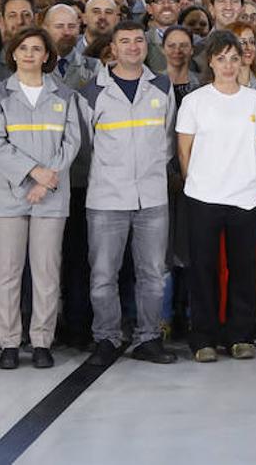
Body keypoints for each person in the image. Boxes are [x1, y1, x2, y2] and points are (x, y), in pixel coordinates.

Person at [0, 26, 86, 370]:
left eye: (36, 49)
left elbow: (71, 143)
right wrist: (33, 173)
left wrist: (47, 179)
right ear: (13, 54)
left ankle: (42, 341)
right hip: (9, 195)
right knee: (8, 273)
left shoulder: (65, 95)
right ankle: (9, 343)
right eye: (23, 48)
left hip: (50, 196)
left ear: (47, 56)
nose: (29, 54)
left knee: (46, 272)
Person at [78, 22, 179, 367]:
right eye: (125, 41)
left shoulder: (162, 87)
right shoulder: (92, 92)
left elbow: (168, 141)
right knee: (104, 274)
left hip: (151, 196)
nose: (134, 46)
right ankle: (106, 338)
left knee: (152, 272)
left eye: (139, 40)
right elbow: (86, 145)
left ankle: (149, 339)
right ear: (113, 49)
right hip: (106, 197)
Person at [178, 30, 256, 363]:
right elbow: (184, 150)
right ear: (210, 61)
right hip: (204, 195)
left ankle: (241, 335)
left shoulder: (254, 100)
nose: (228, 65)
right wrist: (202, 181)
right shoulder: (195, 100)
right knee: (203, 268)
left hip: (245, 196)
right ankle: (203, 337)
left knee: (243, 268)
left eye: (234, 58)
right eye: (221, 58)